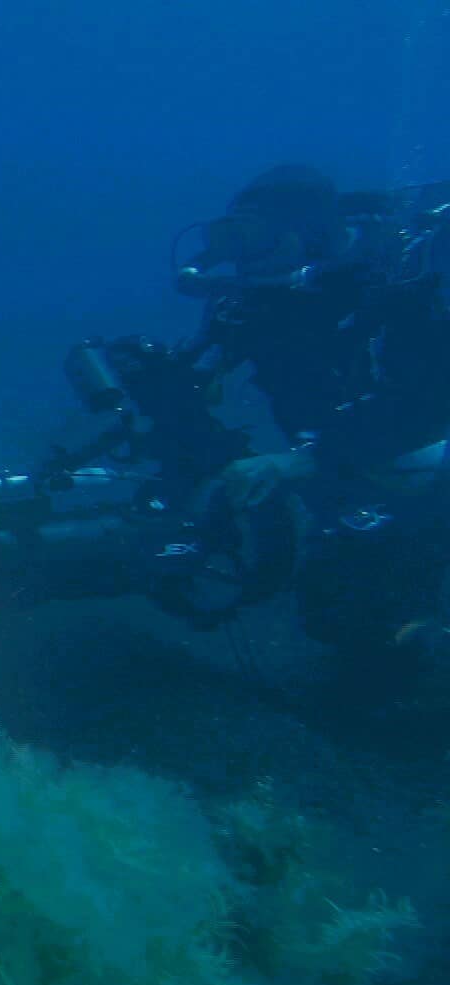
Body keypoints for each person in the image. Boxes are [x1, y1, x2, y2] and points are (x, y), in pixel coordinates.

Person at [177, 164, 450, 679]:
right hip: (342, 466)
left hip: (421, 466)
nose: (246, 255)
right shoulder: (254, 303)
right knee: (333, 617)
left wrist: (300, 462)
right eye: (237, 235)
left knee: (374, 618)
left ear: (306, 232)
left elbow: (432, 404)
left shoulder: (395, 284)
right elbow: (199, 375)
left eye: (259, 234)